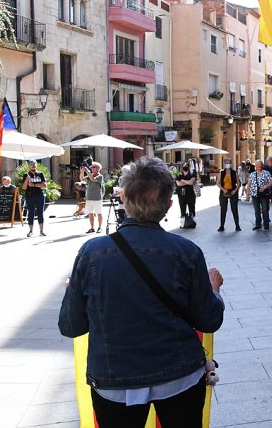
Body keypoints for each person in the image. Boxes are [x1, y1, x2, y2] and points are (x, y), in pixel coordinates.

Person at [58, 156, 225, 426]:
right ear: (169, 204)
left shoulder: (91, 253)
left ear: (123, 199)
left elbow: (71, 326)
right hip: (179, 376)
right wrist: (214, 289)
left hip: (114, 382)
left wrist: (73, 292)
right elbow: (209, 319)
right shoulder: (187, 253)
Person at [22, 160, 48, 237]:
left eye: (34, 164)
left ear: (37, 165)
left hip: (39, 195)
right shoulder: (26, 175)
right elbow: (24, 188)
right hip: (30, 196)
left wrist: (33, 185)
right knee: (31, 213)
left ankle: (41, 231)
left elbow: (44, 185)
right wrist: (26, 180)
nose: (33, 165)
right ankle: (30, 231)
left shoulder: (40, 174)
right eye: (31, 164)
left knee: (40, 213)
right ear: (29, 166)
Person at [216, 157, 241, 232]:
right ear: (224, 164)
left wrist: (235, 190)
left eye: (229, 163)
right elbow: (218, 183)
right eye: (226, 163)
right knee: (223, 209)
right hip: (224, 192)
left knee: (234, 209)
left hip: (233, 191)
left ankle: (237, 225)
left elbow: (238, 183)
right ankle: (222, 226)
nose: (228, 164)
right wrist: (223, 190)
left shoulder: (234, 172)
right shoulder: (222, 173)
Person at [248, 160, 272, 231]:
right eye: (257, 164)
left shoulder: (266, 173)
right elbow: (249, 184)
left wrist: (265, 187)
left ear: (262, 165)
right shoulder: (252, 174)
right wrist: (247, 194)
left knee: (265, 210)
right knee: (257, 210)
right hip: (254, 194)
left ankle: (266, 224)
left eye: (260, 164)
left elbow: (271, 182)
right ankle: (258, 225)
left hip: (264, 194)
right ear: (255, 166)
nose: (259, 166)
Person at [83, 162, 105, 234]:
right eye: (92, 167)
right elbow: (82, 178)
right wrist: (82, 171)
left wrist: (87, 171)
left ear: (98, 168)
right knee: (90, 213)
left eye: (94, 167)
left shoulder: (100, 176)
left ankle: (100, 227)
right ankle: (92, 228)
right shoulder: (90, 175)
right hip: (89, 197)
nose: (92, 168)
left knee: (99, 213)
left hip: (97, 198)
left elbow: (93, 179)